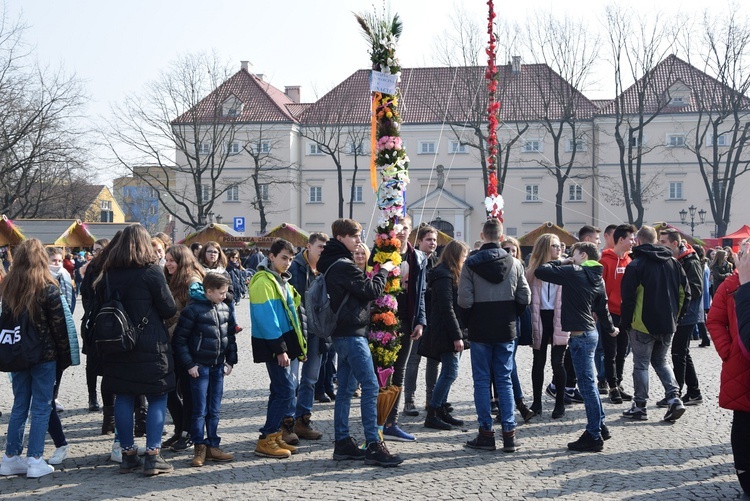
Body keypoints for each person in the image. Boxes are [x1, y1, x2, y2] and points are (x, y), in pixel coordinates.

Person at [95, 224, 177, 476]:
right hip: (150, 344)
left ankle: (128, 454)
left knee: (123, 396)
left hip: (117, 344)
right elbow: (169, 309)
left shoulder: (108, 273)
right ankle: (153, 455)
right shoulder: (151, 272)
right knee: (157, 396)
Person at [319, 218, 403, 467]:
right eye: (355, 236)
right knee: (370, 386)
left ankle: (343, 442)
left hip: (341, 333)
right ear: (341, 237)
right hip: (352, 334)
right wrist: (385, 270)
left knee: (344, 391)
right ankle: (373, 445)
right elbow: (372, 290)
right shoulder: (343, 265)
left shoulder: (330, 262)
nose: (358, 241)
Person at [0, 238, 72, 478]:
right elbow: (59, 327)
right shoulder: (47, 287)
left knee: (20, 404)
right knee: (41, 407)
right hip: (44, 355)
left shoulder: (10, 286)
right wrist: (64, 357)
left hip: (18, 354)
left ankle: (10, 457)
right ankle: (35, 458)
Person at [535, 242, 616, 452]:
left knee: (587, 387)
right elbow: (602, 307)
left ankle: (593, 435)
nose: (571, 256)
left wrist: (564, 261)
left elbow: (541, 270)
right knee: (589, 385)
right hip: (591, 333)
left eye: (573, 253)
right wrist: (610, 328)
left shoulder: (574, 270)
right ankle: (601, 425)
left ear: (582, 254)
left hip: (580, 337)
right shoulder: (597, 275)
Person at [459, 218, 530, 453]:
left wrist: (469, 321)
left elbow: (464, 300)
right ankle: (509, 434)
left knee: (481, 381)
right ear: (501, 236)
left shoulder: (469, 264)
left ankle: (486, 433)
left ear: (482, 234)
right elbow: (524, 297)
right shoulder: (515, 262)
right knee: (505, 379)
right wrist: (512, 314)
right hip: (506, 326)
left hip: (480, 327)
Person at [620, 225, 689, 423]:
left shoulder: (635, 265)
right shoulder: (674, 263)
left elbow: (628, 298)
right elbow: (686, 293)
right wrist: (677, 316)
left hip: (642, 323)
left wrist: (626, 323)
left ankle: (640, 406)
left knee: (641, 365)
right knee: (661, 361)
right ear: (656, 240)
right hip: (667, 322)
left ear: (639, 242)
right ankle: (674, 398)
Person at [249, 238, 307, 459]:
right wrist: (280, 348)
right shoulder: (263, 281)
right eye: (284, 258)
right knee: (285, 391)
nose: (288, 263)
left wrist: (298, 347)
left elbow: (292, 316)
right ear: (271, 257)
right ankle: (267, 437)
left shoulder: (280, 280)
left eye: (291, 259)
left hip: (283, 343)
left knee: (279, 390)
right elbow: (267, 319)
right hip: (274, 344)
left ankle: (272, 436)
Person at [173, 272, 237, 467]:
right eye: (221, 292)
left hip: (218, 366)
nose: (224, 296)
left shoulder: (225, 308)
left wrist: (230, 360)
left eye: (225, 292)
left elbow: (230, 337)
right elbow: (180, 340)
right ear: (208, 291)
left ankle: (213, 445)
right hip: (199, 368)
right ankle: (199, 446)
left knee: (214, 409)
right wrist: (190, 364)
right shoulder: (192, 311)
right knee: (199, 410)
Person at [381, 215, 427, 443]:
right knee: (381, 371)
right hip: (382, 320)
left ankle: (391, 422)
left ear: (411, 231)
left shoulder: (418, 257)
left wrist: (420, 321)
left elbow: (421, 294)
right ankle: (376, 421)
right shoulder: (381, 253)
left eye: (405, 228)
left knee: (399, 370)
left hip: (408, 321)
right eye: (397, 228)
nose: (401, 231)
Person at [713, 238, 750, 496]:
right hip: (739, 364)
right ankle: (745, 474)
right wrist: (728, 351)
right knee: (743, 420)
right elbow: (714, 320)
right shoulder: (730, 285)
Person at [420, 240, 469, 430]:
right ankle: (433, 412)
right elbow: (446, 308)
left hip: (451, 329)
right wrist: (457, 336)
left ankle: (440, 409)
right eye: (464, 257)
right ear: (456, 256)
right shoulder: (443, 276)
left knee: (449, 372)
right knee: (450, 372)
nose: (465, 261)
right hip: (446, 332)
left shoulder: (449, 274)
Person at [162, 244, 206, 451]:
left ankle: (188, 432)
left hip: (187, 345)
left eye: (172, 260)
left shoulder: (193, 281)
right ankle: (180, 429)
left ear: (183, 261)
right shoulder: (170, 278)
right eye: (167, 259)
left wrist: (167, 331)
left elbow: (189, 315)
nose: (168, 263)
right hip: (172, 344)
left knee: (188, 392)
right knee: (169, 389)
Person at [289, 232, 328, 440]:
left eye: (325, 247)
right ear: (308, 246)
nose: (322, 250)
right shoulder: (295, 267)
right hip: (297, 330)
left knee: (310, 378)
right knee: (290, 379)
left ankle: (302, 420)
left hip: (317, 332)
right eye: (320, 246)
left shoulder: (324, 269)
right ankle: (285, 423)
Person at [658, 229, 704, 406]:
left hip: (687, 314)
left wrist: (674, 290)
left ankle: (675, 394)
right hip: (681, 313)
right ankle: (693, 392)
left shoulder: (690, 261)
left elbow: (696, 289)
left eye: (663, 242)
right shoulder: (679, 259)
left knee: (678, 353)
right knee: (682, 352)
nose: (660, 245)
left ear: (674, 244)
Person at [526, 233, 569, 419]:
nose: (559, 249)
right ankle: (536, 402)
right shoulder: (534, 269)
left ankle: (560, 402)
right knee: (538, 361)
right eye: (554, 246)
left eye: (559, 246)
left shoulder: (566, 267)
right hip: (539, 315)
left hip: (559, 316)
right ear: (545, 247)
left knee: (558, 362)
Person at [404, 225, 439, 417]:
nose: (432, 243)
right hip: (416, 316)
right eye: (428, 239)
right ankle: (409, 400)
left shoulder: (436, 262)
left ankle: (431, 399)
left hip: (433, 317)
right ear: (419, 241)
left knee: (433, 360)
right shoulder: (412, 260)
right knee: (413, 360)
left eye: (434, 240)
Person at [599, 224, 636, 404]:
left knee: (622, 351)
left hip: (626, 314)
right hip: (610, 313)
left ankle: (619, 383)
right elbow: (599, 290)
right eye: (630, 239)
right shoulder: (604, 261)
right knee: (610, 352)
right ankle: (612, 386)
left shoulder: (630, 261)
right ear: (621, 240)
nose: (633, 242)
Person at [501, 237, 534, 422]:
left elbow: (525, 297)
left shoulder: (519, 267)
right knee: (505, 365)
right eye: (506, 249)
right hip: (500, 320)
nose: (510, 253)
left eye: (513, 250)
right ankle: (512, 404)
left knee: (508, 364)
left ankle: (518, 403)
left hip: (514, 321)